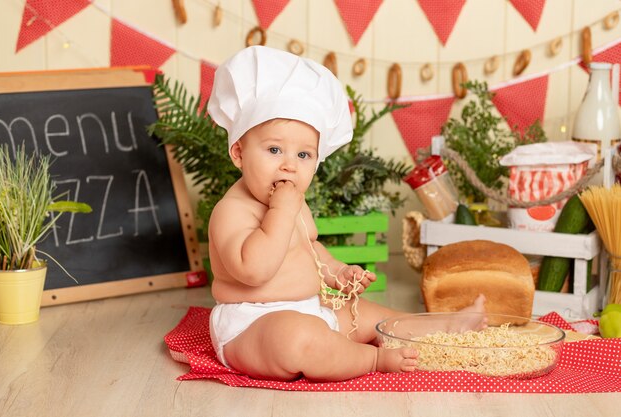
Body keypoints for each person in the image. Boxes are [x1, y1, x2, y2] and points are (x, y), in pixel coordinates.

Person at [206, 46, 486, 382]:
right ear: (238, 152)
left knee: (367, 314)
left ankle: (441, 325)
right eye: (274, 149)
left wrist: (337, 273)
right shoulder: (231, 211)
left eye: (304, 155)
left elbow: (308, 249)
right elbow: (254, 270)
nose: (289, 165)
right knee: (299, 338)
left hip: (309, 309)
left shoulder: (293, 201)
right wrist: (281, 211)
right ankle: (371, 360)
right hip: (252, 327)